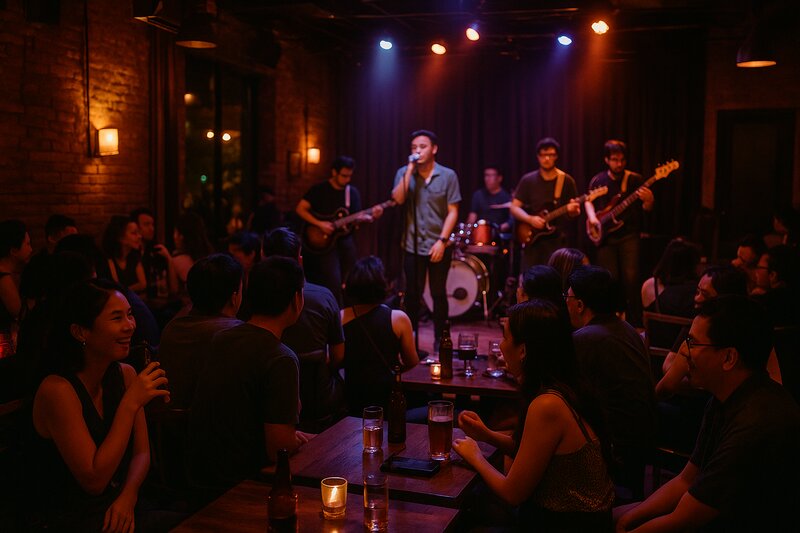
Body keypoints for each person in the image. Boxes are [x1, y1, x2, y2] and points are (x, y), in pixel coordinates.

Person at [615, 296, 800, 532]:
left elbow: (684, 520)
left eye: (692, 342)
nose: (684, 351)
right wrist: (628, 519)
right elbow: (686, 479)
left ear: (729, 357)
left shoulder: (756, 423)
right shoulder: (725, 396)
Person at [453, 299, 614, 530]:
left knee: (468, 509)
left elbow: (513, 493)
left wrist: (475, 455)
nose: (500, 345)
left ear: (523, 350)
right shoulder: (565, 386)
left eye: (505, 337)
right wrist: (486, 435)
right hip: (572, 518)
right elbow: (533, 451)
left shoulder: (548, 405)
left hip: (567, 524)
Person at [28, 279, 169, 531]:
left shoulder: (125, 374)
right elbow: (94, 481)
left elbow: (142, 454)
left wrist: (128, 496)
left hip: (123, 505)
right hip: (73, 518)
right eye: (116, 318)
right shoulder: (57, 390)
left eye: (129, 315)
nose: (130, 326)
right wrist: (130, 404)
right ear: (80, 332)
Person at [189, 257, 310, 488]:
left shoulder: (221, 338)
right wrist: (292, 439)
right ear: (297, 299)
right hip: (244, 483)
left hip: (204, 478)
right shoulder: (281, 357)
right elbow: (278, 449)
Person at [566, 265, 656, 498]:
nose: (564, 303)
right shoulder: (627, 330)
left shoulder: (586, 338)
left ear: (579, 304)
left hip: (612, 453)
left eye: (567, 297)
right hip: (640, 444)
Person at [262, 228, 347, 431]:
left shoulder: (254, 300)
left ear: (263, 258)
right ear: (299, 259)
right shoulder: (323, 296)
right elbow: (338, 356)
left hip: (269, 404)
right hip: (319, 402)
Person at [392, 130, 461, 343]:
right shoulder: (405, 172)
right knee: (412, 294)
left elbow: (453, 211)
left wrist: (442, 241)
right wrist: (410, 170)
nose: (417, 151)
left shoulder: (448, 175)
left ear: (434, 149)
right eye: (414, 148)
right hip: (412, 244)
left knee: (438, 294)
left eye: (422, 146)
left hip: (439, 243)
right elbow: (398, 199)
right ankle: (409, 341)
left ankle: (441, 341)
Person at [158, 254, 243, 409]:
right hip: (219, 429)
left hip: (171, 429)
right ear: (234, 297)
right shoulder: (237, 334)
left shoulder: (172, 328)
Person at [296, 155, 383, 305]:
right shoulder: (319, 189)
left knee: (350, 278)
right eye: (344, 176)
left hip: (345, 240)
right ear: (334, 172)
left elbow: (357, 218)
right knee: (332, 281)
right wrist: (320, 224)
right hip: (325, 245)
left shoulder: (352, 192)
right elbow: (300, 209)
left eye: (349, 176)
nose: (347, 179)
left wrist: (371, 217)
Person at [585, 140, 653, 325]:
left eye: (622, 159)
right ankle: (609, 321)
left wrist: (649, 202)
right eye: (614, 159)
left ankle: (635, 323)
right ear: (607, 160)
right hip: (606, 238)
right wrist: (592, 219)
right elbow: (588, 201)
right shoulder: (599, 180)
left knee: (631, 280)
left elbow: (647, 209)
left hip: (629, 235)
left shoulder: (634, 180)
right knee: (609, 279)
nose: (619, 164)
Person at [341, 256, 418, 414]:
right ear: (382, 284)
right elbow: (412, 362)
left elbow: (336, 360)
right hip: (388, 399)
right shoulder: (398, 318)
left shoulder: (340, 317)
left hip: (353, 400)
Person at [510, 137, 580, 272]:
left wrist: (573, 211)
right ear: (538, 157)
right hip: (533, 242)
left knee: (556, 279)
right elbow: (514, 207)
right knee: (532, 280)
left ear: (556, 157)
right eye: (543, 155)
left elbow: (574, 213)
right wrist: (530, 219)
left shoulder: (566, 180)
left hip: (557, 241)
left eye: (551, 155)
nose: (547, 158)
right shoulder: (528, 180)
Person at [130, 207, 177, 300]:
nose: (151, 228)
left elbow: (173, 289)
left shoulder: (156, 251)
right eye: (146, 224)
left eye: (152, 224)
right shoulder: (129, 253)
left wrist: (169, 259)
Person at [0, 219, 33, 347]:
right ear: (13, 250)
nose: (31, 249)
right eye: (28, 244)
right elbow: (19, 313)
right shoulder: (3, 277)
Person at [101, 215, 147, 293]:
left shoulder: (134, 257)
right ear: (120, 237)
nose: (139, 236)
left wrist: (125, 290)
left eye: (138, 233)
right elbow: (116, 289)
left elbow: (143, 284)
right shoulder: (108, 259)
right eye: (134, 233)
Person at [171, 212, 215, 287]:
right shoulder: (211, 259)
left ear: (181, 236)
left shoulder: (177, 260)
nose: (174, 237)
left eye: (175, 232)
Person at [466, 165, 513, 232]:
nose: (487, 179)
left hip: (500, 234)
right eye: (486, 175)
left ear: (499, 178)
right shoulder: (478, 195)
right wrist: (468, 229)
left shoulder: (507, 197)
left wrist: (502, 227)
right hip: (480, 232)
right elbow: (473, 215)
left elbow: (511, 219)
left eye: (491, 175)